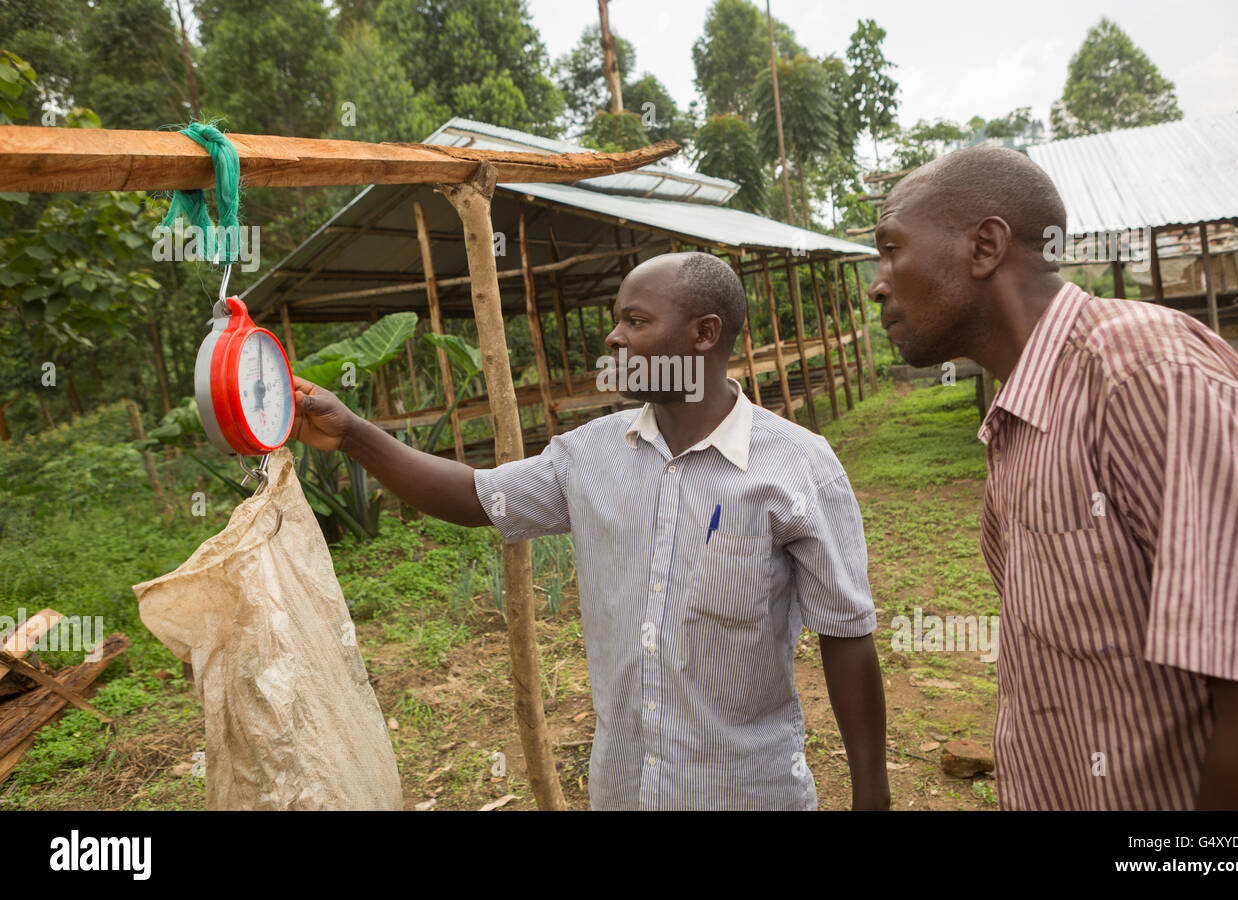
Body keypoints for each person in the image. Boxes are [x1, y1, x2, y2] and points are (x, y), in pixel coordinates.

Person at [291, 251, 890, 811]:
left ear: (704, 335)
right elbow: (476, 497)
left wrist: (872, 795)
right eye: (615, 321)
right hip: (623, 790)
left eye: (635, 320)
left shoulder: (798, 465)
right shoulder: (589, 455)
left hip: (746, 791)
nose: (614, 338)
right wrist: (352, 434)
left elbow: (846, 636)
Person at [867, 145, 1238, 809]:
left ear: (985, 248)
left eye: (891, 248)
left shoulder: (1148, 375)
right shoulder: (1021, 419)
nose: (878, 282)